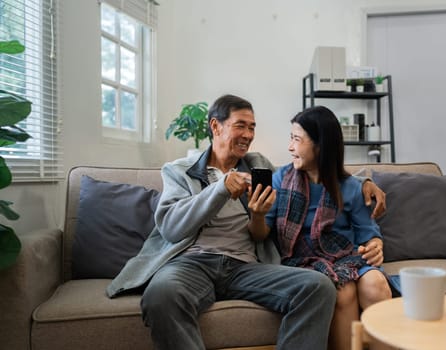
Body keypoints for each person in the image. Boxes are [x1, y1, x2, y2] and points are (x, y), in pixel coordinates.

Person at [106, 94, 386, 350]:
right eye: (241, 126)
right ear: (216, 127)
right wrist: (222, 188)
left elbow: (311, 171)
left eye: (252, 127)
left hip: (245, 266)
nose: (249, 135)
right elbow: (171, 227)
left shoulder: (258, 166)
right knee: (160, 295)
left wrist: (364, 182)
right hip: (191, 263)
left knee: (318, 287)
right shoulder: (179, 171)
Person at [248, 105, 392, 350]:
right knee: (343, 291)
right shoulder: (280, 180)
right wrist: (258, 216)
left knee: (376, 284)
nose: (290, 147)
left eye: (296, 139)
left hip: (346, 257)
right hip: (300, 260)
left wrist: (375, 246)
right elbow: (260, 234)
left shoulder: (351, 187)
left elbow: (369, 234)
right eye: (290, 138)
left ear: (320, 146)